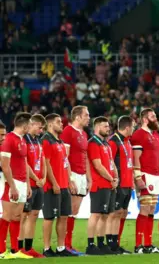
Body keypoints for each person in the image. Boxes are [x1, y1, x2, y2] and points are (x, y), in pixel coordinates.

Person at [41, 114, 76, 257]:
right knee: (49, 217)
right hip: (51, 186)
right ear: (50, 125)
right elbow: (46, 163)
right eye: (58, 122)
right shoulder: (46, 141)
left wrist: (70, 180)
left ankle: (61, 248)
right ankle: (46, 248)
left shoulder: (60, 142)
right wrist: (54, 182)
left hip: (63, 185)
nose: (62, 124)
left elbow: (65, 162)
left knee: (64, 216)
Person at [0, 113, 34, 259]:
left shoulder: (23, 140)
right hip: (11, 182)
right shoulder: (9, 139)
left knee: (17, 216)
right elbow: (5, 165)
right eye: (30, 124)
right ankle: (1, 251)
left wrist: (27, 184)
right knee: (7, 216)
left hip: (21, 182)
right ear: (25, 125)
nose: (31, 127)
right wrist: (12, 186)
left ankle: (15, 250)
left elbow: (24, 164)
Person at [131, 108, 159, 254]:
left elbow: (158, 156)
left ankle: (148, 244)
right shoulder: (138, 135)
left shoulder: (156, 134)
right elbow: (136, 157)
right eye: (152, 116)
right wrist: (137, 177)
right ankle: (138, 245)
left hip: (156, 176)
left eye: (155, 116)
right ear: (145, 119)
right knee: (144, 208)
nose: (155, 118)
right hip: (145, 175)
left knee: (151, 210)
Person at [85, 116, 118, 255]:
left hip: (109, 184)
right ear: (97, 127)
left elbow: (111, 163)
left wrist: (116, 177)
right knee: (96, 214)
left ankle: (100, 243)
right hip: (99, 184)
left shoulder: (105, 144)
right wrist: (111, 178)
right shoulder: (93, 143)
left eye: (108, 126)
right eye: (105, 126)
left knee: (105, 215)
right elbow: (97, 166)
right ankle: (90, 245)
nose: (108, 129)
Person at [60, 105, 90, 255]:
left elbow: (85, 157)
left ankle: (69, 244)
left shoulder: (83, 134)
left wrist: (88, 178)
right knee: (68, 210)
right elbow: (64, 157)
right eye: (86, 115)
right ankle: (64, 245)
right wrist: (69, 178)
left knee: (75, 211)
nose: (88, 118)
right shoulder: (67, 131)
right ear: (77, 117)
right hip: (73, 174)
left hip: (82, 174)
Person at [20, 114, 47, 258]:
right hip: (28, 183)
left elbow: (42, 160)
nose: (41, 130)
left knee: (34, 215)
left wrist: (43, 178)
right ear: (32, 124)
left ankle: (29, 248)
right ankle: (19, 249)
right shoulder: (24, 139)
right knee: (23, 215)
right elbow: (24, 162)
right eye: (39, 127)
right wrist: (36, 178)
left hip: (38, 183)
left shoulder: (38, 141)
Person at [108, 116, 135, 254]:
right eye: (133, 127)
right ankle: (110, 243)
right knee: (114, 213)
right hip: (118, 183)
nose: (134, 129)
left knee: (122, 213)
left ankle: (116, 242)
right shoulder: (113, 141)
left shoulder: (127, 142)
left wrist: (132, 181)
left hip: (127, 184)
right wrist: (114, 179)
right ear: (127, 127)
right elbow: (108, 161)